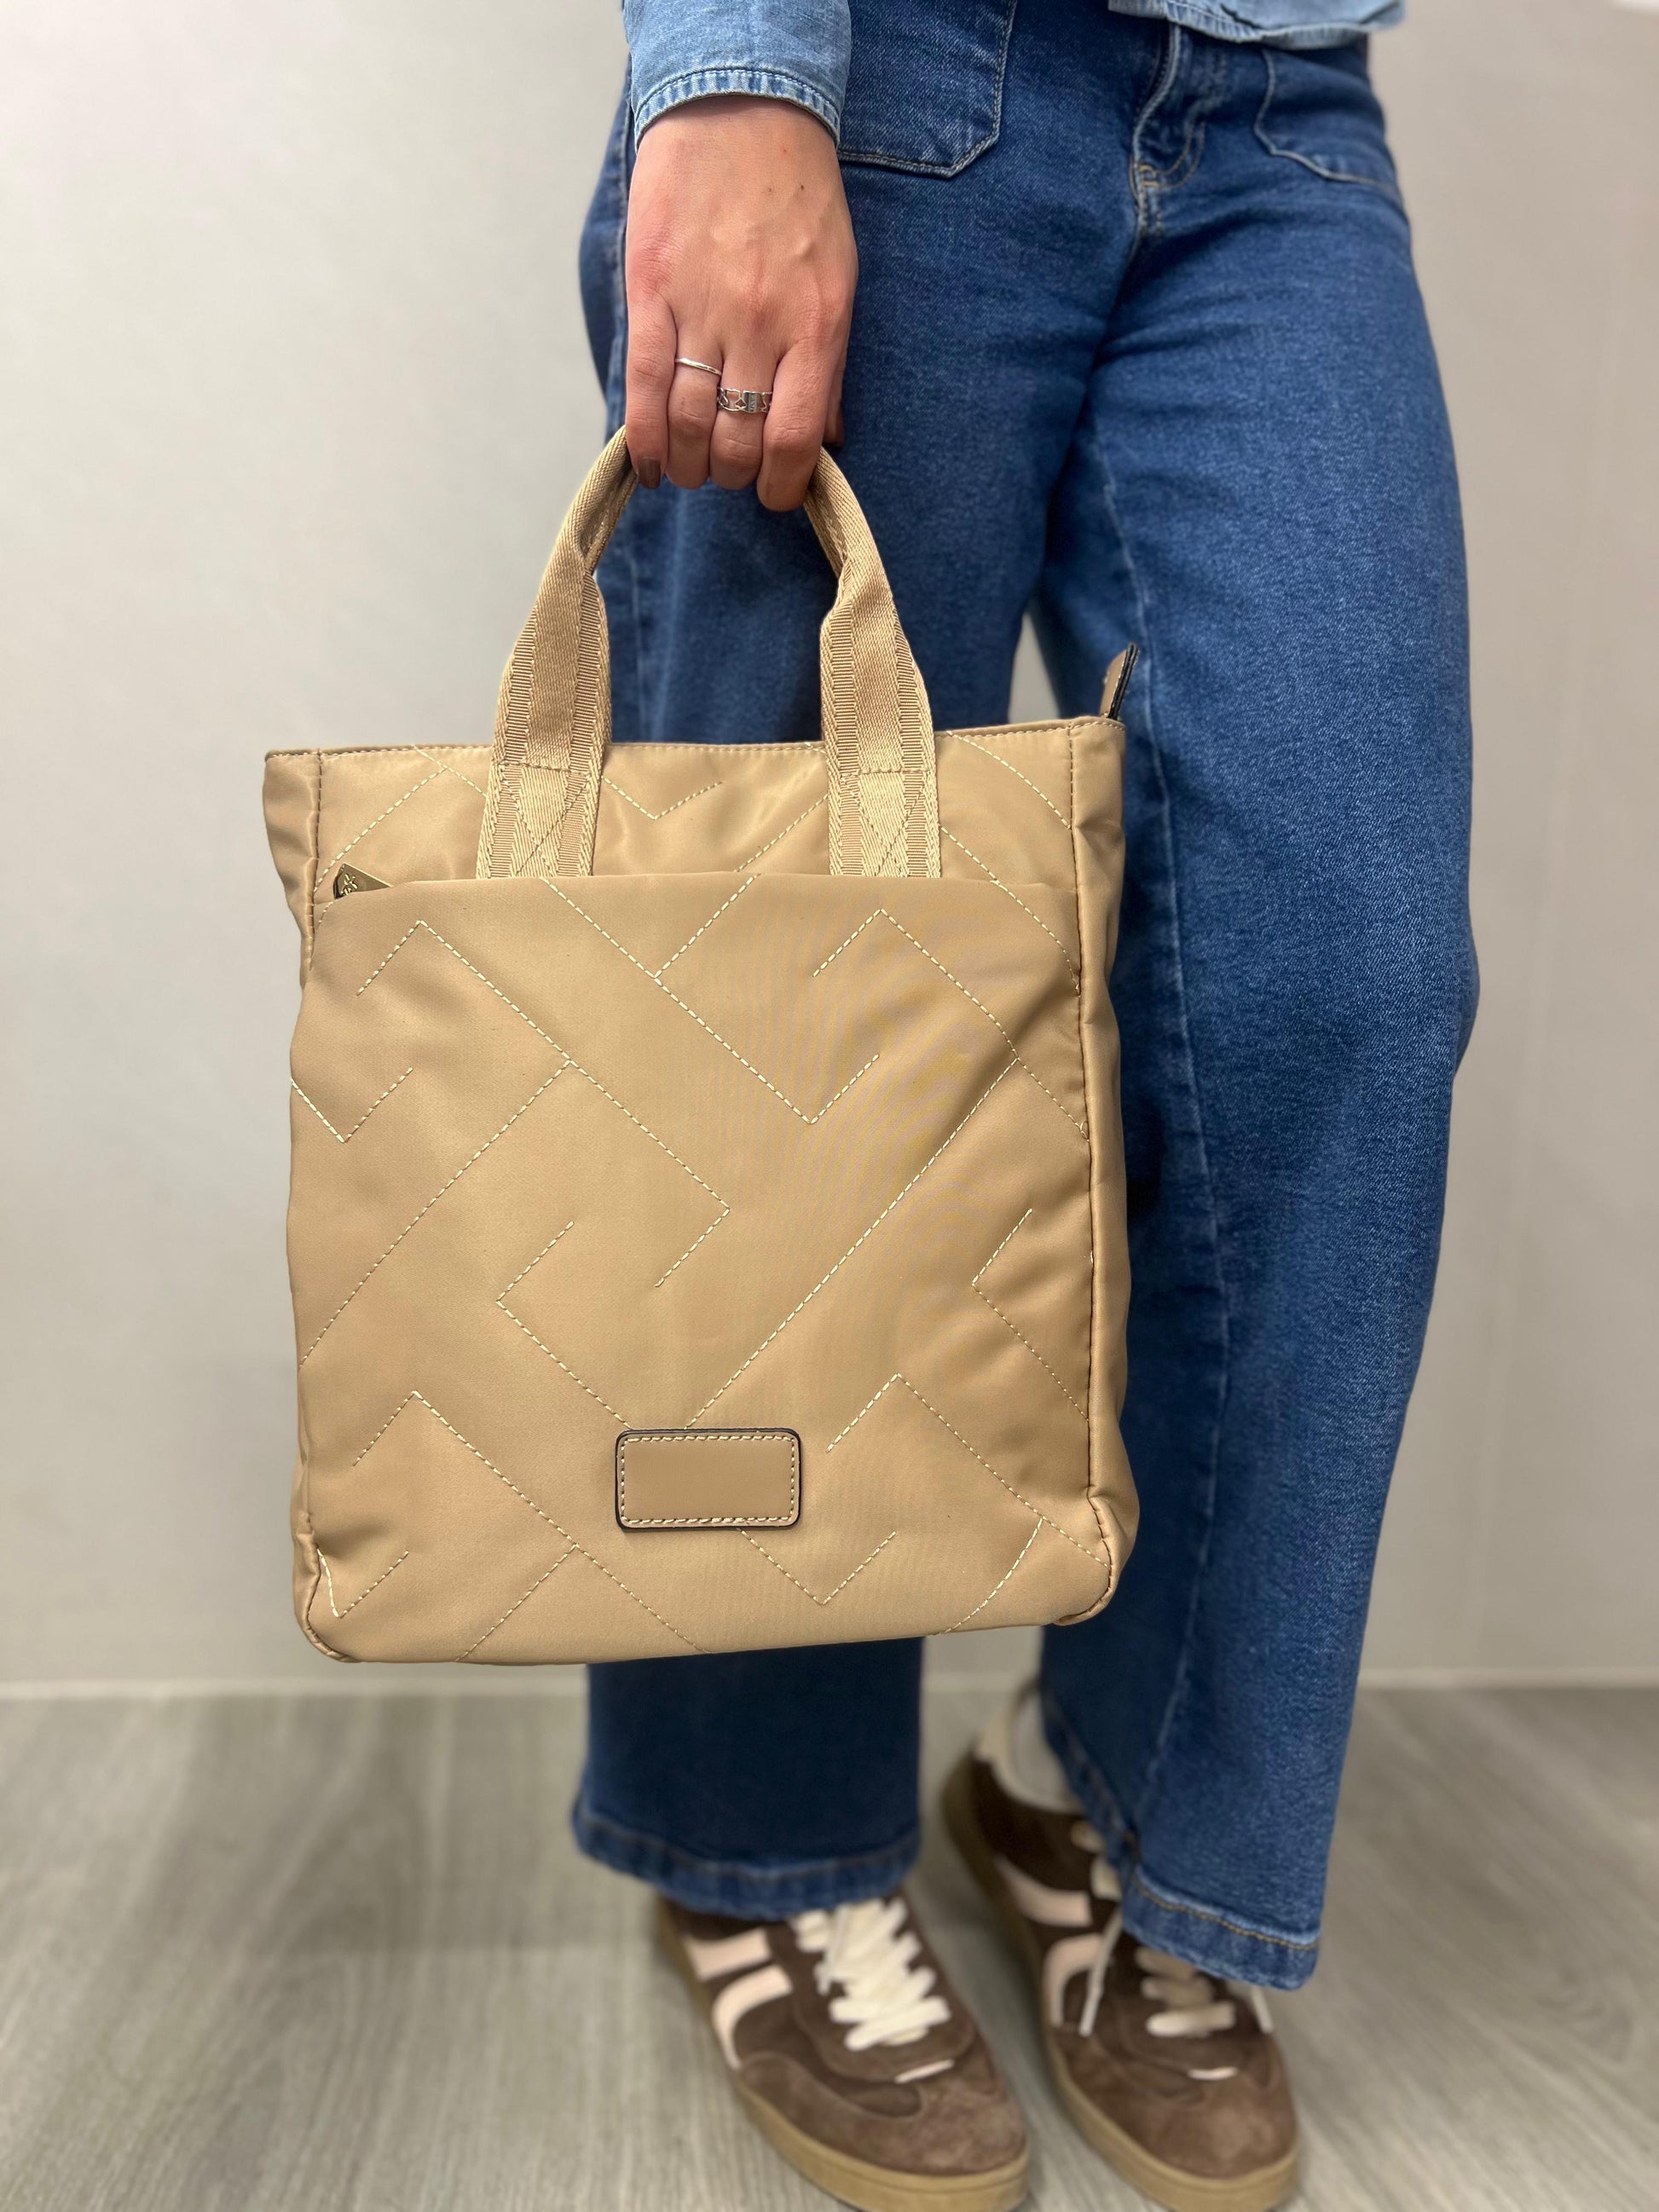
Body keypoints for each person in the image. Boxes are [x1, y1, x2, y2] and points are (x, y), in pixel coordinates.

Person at [569, 3, 1476, 2207]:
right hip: (881, 65)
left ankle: (1119, 1797)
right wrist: (734, 66)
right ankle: (763, 1836)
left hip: (1280, 104)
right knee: (784, 1001)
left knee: (1341, 979)